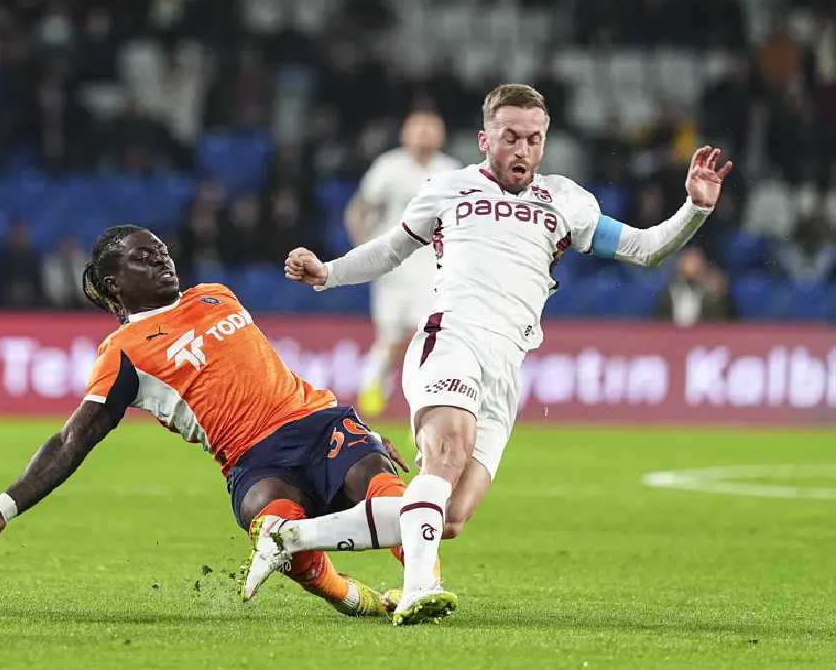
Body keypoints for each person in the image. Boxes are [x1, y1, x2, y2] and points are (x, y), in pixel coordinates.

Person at [245, 83, 734, 626]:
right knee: (447, 453)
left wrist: (695, 208)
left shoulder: (567, 201)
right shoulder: (448, 189)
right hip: (449, 340)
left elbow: (645, 249)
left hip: (505, 368)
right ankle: (419, 587)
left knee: (450, 516)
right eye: (510, 137)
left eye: (534, 139)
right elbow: (391, 249)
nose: (522, 149)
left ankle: (291, 536)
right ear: (485, 139)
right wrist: (329, 272)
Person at [0, 225, 412, 618]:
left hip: (317, 422)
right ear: (113, 283)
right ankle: (355, 599)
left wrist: (367, 436)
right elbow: (70, 442)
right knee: (273, 524)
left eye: (161, 250)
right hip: (254, 460)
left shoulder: (215, 294)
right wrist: (2, 510)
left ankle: (421, 587)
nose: (161, 259)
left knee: (383, 487)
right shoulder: (123, 353)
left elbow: (270, 374)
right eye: (143, 257)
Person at [344, 110, 461, 417]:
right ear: (405, 133)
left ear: (441, 134)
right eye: (418, 128)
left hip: (432, 267)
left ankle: (426, 404)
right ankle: (373, 386)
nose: (424, 134)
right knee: (391, 336)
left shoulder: (451, 172)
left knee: (431, 334)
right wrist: (365, 250)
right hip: (393, 265)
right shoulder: (389, 167)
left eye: (431, 128)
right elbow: (358, 210)